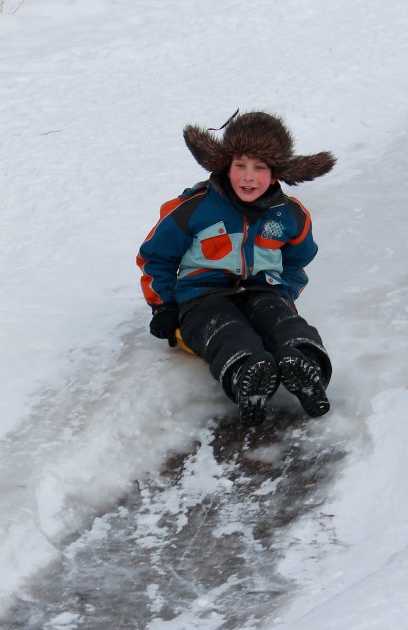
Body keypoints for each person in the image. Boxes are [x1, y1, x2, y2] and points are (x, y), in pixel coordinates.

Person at [137, 110, 336, 426]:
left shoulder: (289, 215)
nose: (248, 176)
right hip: (203, 296)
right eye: (240, 165)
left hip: (263, 289)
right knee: (225, 330)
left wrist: (284, 292)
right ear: (225, 166)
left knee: (282, 320)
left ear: (275, 174)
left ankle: (304, 365)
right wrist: (163, 306)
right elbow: (156, 257)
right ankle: (247, 373)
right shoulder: (195, 207)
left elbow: (297, 260)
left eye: (259, 168)